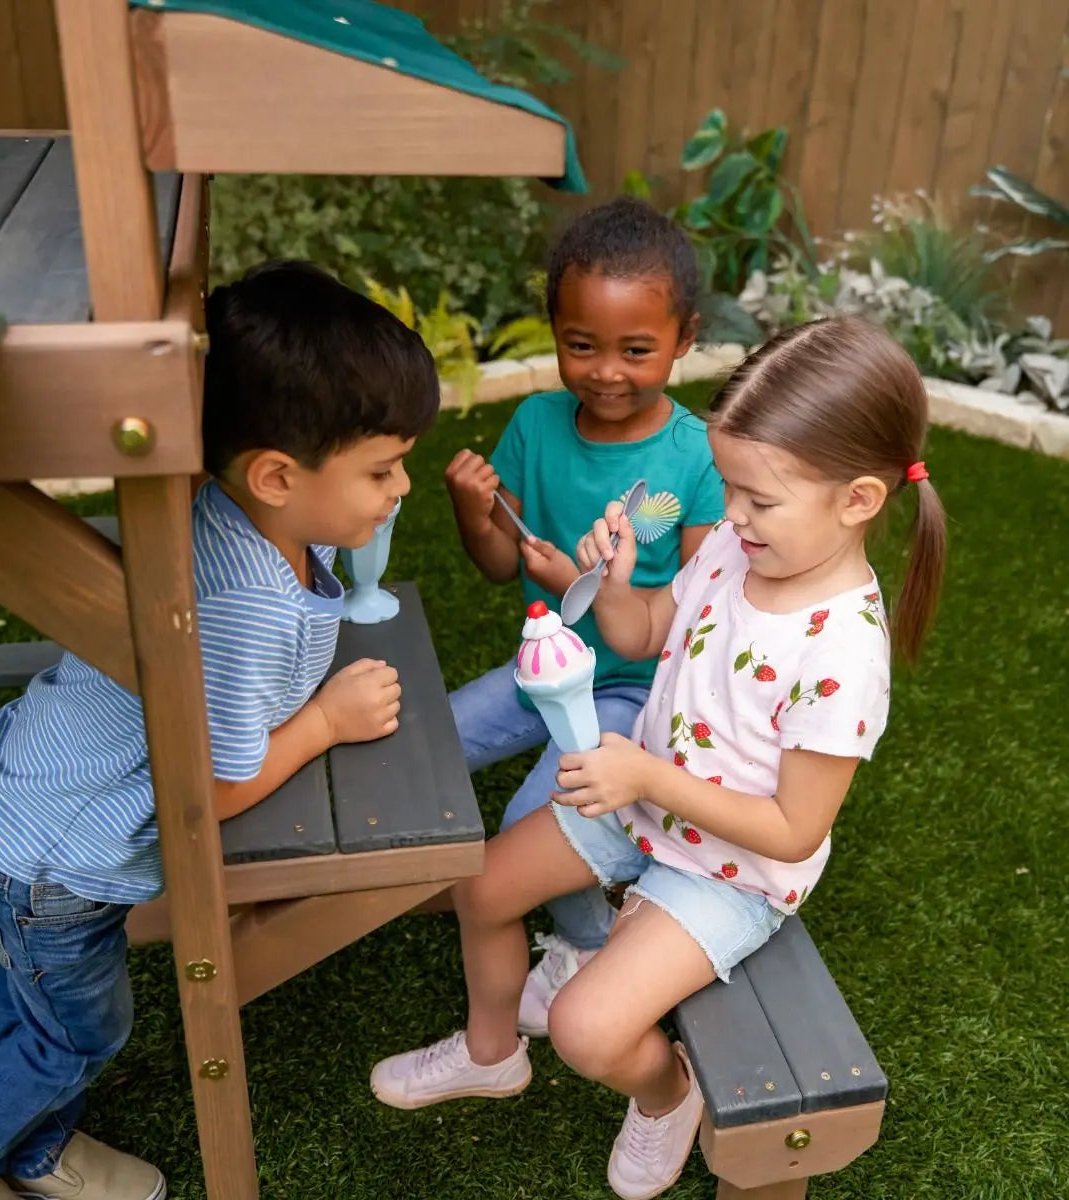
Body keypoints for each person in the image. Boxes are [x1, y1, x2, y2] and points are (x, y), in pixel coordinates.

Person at [0, 261, 439, 1200]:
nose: (402, 486)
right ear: (275, 475)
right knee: (76, 1036)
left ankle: (33, 1152)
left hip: (20, 804)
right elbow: (209, 790)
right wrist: (325, 724)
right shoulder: (244, 605)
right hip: (54, 863)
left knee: (31, 1016)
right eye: (382, 468)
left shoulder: (250, 518)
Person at [372, 316, 946, 1200]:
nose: (733, 514)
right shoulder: (730, 546)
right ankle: (491, 1055)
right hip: (641, 804)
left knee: (586, 1033)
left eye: (758, 498)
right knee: (480, 889)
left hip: (729, 870)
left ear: (858, 499)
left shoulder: (842, 653)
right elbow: (641, 631)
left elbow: (793, 832)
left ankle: (666, 1092)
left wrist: (643, 778)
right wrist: (614, 579)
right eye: (727, 487)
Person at [444, 197, 725, 1036]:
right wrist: (473, 509)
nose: (607, 370)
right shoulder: (535, 424)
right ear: (554, 333)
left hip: (630, 694)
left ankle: (585, 940)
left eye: (637, 350)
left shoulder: (698, 454)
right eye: (581, 345)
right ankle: (418, 884)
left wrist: (589, 583)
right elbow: (497, 563)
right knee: (433, 746)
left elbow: (704, 612)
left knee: (533, 825)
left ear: (684, 338)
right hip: (543, 666)